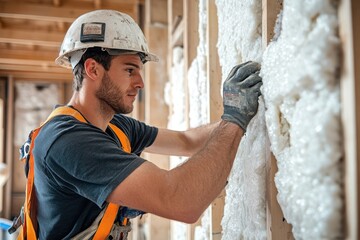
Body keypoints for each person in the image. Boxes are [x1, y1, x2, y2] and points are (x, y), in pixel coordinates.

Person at [20, 9, 262, 239]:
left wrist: (242, 110)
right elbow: (180, 201)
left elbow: (187, 141)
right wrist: (234, 120)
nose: (140, 83)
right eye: (129, 70)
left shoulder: (116, 127)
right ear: (93, 69)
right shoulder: (68, 141)